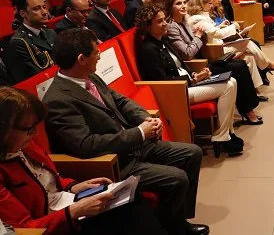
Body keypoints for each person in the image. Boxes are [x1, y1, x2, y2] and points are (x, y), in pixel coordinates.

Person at [43, 29, 209, 235]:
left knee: (192, 153)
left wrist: (144, 118)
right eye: (96, 52)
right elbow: (86, 145)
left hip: (134, 145)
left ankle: (176, 221)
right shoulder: (57, 100)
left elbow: (120, 100)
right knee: (177, 178)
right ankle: (172, 228)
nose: (100, 55)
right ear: (81, 59)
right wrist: (139, 133)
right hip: (113, 163)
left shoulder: (89, 76)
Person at [0, 86, 168, 235]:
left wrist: (74, 186)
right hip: (55, 222)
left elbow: (49, 180)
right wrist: (74, 211)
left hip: (66, 202)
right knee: (126, 213)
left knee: (130, 196)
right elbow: (24, 230)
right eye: (29, 129)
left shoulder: (23, 144)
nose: (36, 134)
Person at [134, 3, 246, 153]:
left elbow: (180, 64)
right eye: (159, 21)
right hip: (177, 92)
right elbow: (161, 81)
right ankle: (223, 136)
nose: (165, 23)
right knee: (228, 85)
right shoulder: (148, 49)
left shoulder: (164, 40)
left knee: (231, 80)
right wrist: (193, 80)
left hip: (188, 83)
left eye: (164, 19)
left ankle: (224, 135)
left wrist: (194, 73)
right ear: (148, 26)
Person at [164, 0, 266, 120]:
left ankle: (248, 109)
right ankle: (248, 112)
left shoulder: (184, 20)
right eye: (178, 3)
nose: (183, 6)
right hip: (196, 65)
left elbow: (199, 42)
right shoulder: (172, 26)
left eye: (184, 2)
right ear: (170, 7)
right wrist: (199, 37)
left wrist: (203, 37)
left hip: (202, 59)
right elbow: (187, 54)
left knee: (240, 63)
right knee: (238, 67)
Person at [187, 0, 274, 87]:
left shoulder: (201, 16)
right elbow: (218, 34)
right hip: (214, 51)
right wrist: (233, 26)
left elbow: (211, 31)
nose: (212, 5)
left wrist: (221, 25)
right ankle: (269, 65)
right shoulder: (197, 19)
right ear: (201, 4)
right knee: (247, 43)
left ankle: (254, 90)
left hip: (217, 46)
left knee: (249, 57)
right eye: (209, 3)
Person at [9, 0, 56, 82]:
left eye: (44, 7)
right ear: (23, 13)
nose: (44, 12)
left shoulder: (50, 32)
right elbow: (35, 75)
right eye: (37, 9)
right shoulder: (19, 41)